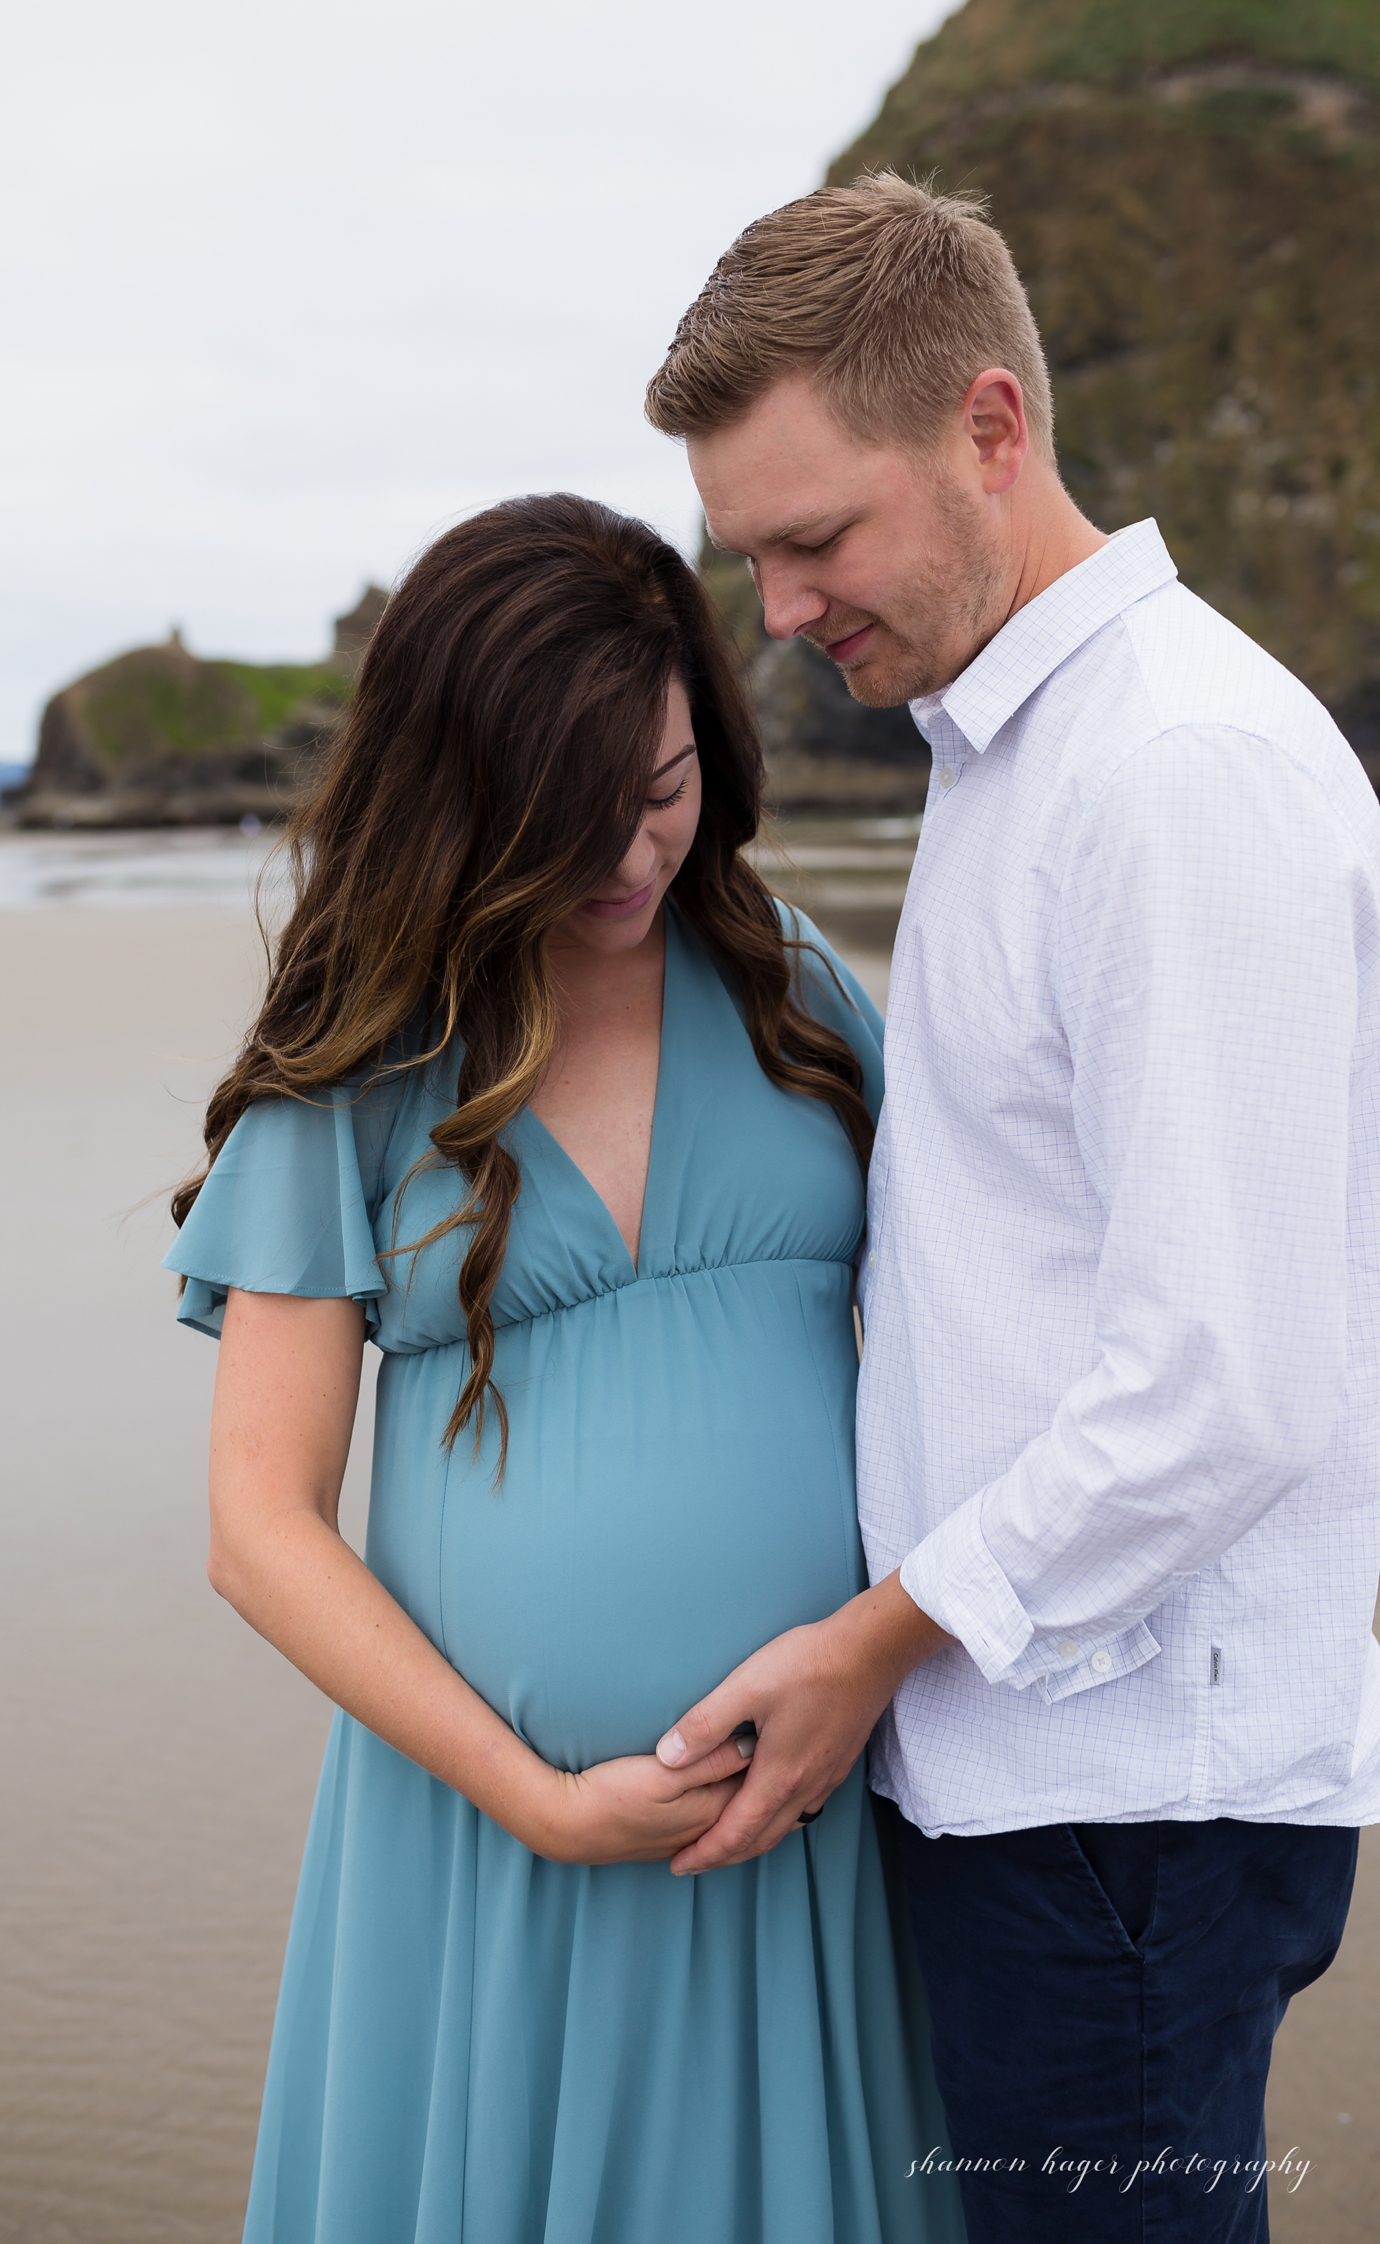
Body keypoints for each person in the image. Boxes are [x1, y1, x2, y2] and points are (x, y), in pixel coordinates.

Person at [643, 173, 1380, 2241]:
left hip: (1124, 1807)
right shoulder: (1009, 748)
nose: (780, 613)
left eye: (817, 539)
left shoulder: (1173, 774)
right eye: (751, 557)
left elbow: (1224, 1389)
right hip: (1043, 1783)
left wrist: (868, 1647)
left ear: (990, 427)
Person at [165, 494, 965, 2244]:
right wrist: (537, 1799)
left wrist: (889, 1643)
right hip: (491, 1847)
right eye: (564, 815)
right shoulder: (362, 1063)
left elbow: (980, 1333)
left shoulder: (790, 992)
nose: (628, 852)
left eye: (662, 789)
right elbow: (258, 1526)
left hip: (804, 1819)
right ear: (460, 800)